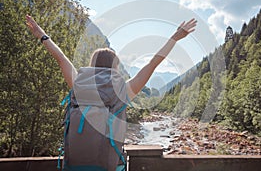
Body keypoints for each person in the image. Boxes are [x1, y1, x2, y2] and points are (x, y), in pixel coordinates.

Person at [26, 15, 197, 171]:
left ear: (92, 64)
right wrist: (174, 38)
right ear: (115, 67)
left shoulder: (78, 84)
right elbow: (153, 63)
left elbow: (61, 58)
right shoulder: (122, 91)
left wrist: (41, 34)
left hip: (73, 166)